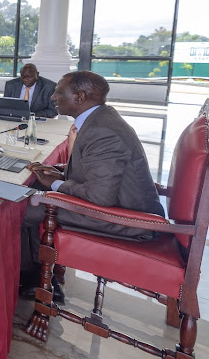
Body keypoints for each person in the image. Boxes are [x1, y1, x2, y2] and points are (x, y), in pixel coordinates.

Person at [19, 71, 165, 301]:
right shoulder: (100, 118)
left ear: (79, 97)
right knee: (37, 186)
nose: (53, 97)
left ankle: (36, 281)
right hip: (119, 202)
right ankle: (38, 274)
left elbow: (100, 197)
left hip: (127, 218)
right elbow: (95, 168)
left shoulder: (102, 131)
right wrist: (59, 172)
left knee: (22, 208)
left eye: (58, 92)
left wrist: (57, 184)